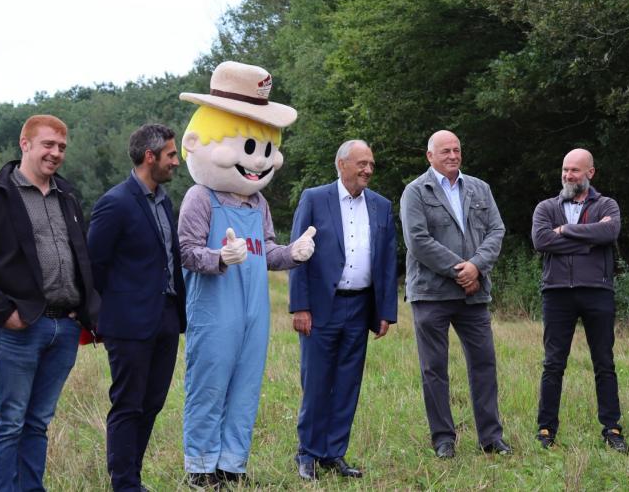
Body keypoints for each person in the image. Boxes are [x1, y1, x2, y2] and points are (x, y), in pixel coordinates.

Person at [176, 61, 317, 487]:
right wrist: (219, 257)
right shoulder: (199, 197)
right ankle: (200, 467)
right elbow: (185, 252)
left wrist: (293, 253)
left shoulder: (258, 205)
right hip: (214, 310)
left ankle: (232, 464)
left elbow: (266, 252)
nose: (258, 161)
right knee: (209, 386)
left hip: (254, 313)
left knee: (245, 389)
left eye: (265, 149)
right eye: (247, 146)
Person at [0, 114, 98, 491]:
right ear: (25, 144)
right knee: (8, 423)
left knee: (37, 422)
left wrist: (87, 312)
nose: (56, 153)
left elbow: (81, 255)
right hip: (17, 328)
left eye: (62, 147)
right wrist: (3, 313)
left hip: (64, 327)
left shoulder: (67, 195)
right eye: (48, 145)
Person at [289, 140, 398, 480]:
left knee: (348, 382)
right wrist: (300, 306)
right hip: (323, 307)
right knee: (317, 380)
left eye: (371, 164)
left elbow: (387, 261)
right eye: (361, 163)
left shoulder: (381, 205)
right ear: (341, 165)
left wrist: (385, 311)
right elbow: (298, 254)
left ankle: (333, 453)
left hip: (361, 304)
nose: (367, 169)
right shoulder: (314, 198)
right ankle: (307, 453)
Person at [87, 124, 186, 490]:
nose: (176, 161)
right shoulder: (115, 203)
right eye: (171, 155)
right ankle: (124, 484)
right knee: (128, 404)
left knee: (153, 403)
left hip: (166, 318)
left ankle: (134, 479)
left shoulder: (164, 201)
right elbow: (95, 264)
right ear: (150, 156)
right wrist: (105, 316)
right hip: (128, 323)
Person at [401, 129, 510, 459]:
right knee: (434, 368)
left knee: (484, 364)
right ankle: (443, 439)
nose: (452, 155)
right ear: (430, 156)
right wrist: (461, 270)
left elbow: (496, 230)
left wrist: (476, 267)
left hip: (473, 295)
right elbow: (418, 241)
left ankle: (491, 438)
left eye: (457, 150)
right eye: (445, 151)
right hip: (431, 294)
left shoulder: (479, 188)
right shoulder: (415, 192)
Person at [530, 148, 627, 452]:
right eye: (565, 169)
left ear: (590, 173)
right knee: (553, 363)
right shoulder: (546, 207)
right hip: (557, 293)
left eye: (575, 170)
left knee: (604, 363)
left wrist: (568, 231)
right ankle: (546, 429)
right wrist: (587, 240)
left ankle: (612, 429)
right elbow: (541, 241)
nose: (568, 175)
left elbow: (609, 232)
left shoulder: (606, 204)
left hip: (597, 291)